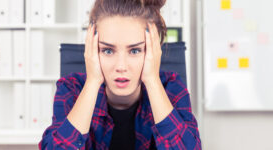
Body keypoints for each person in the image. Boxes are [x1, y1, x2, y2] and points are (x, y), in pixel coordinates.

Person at [39, 0, 201, 149]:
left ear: (152, 51)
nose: (121, 66)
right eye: (108, 50)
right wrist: (92, 82)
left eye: (135, 50)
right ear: (92, 50)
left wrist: (152, 80)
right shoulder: (71, 88)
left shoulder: (170, 87)